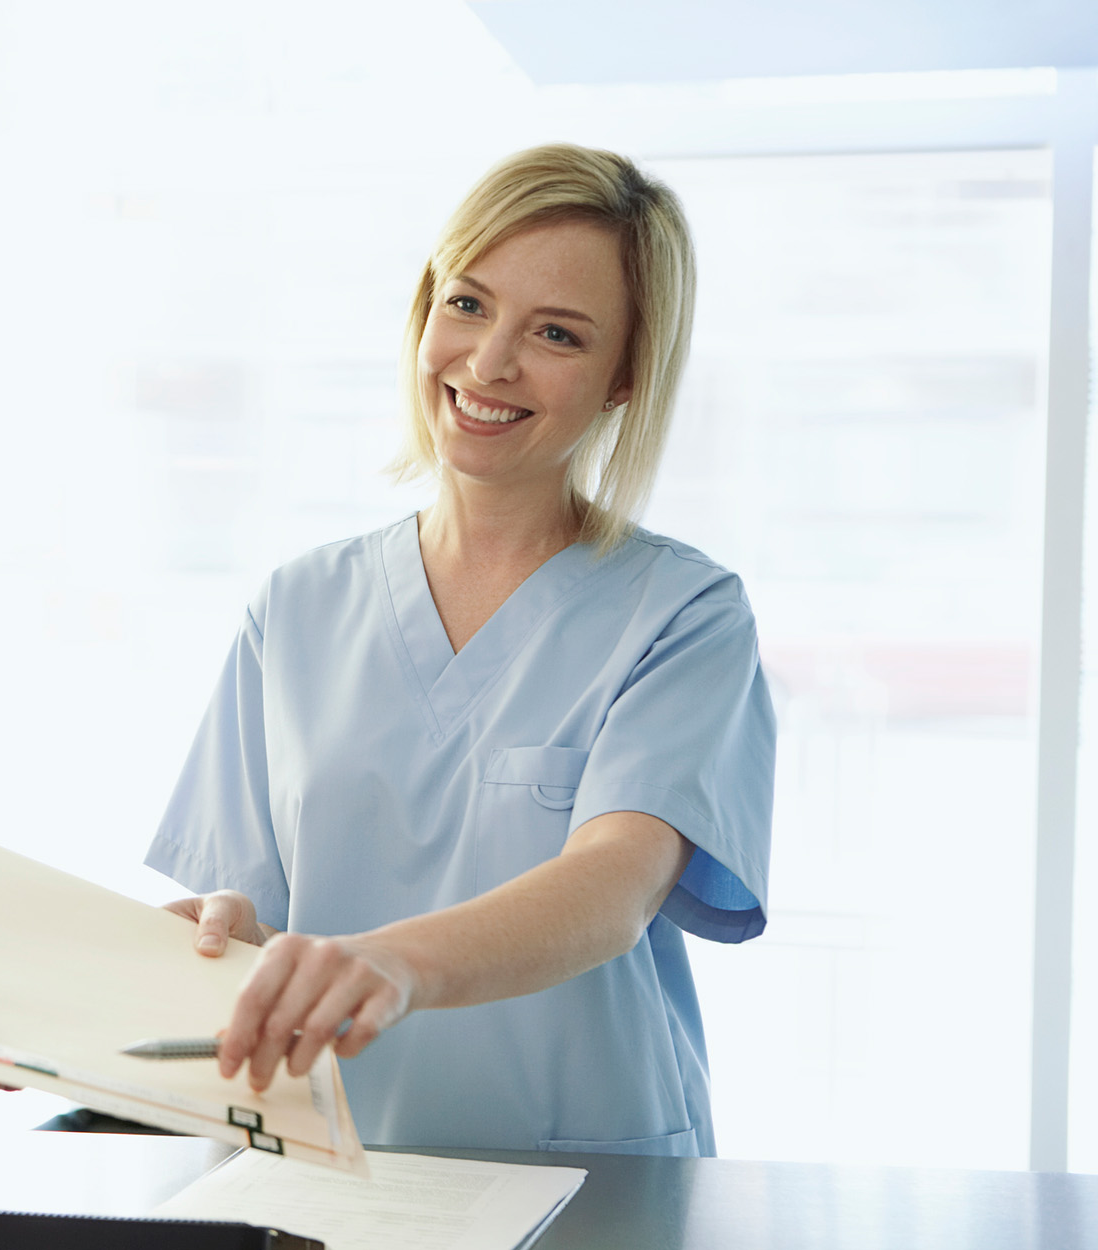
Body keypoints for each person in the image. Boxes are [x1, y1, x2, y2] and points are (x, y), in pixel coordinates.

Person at [150, 143, 774, 1157]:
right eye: (468, 304)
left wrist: (392, 962)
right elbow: (263, 917)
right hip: (325, 1174)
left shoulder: (684, 614)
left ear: (624, 374)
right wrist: (226, 934)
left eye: (557, 333)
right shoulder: (296, 607)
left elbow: (615, 882)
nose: (487, 364)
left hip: (593, 1181)